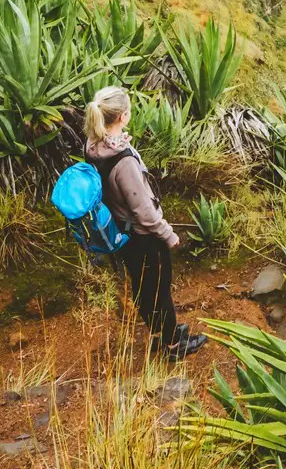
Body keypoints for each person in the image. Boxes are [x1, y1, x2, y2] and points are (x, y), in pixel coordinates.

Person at [82, 86, 205, 359]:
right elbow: (144, 212)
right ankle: (173, 346)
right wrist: (169, 235)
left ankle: (162, 332)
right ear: (123, 116)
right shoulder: (122, 162)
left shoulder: (93, 146)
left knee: (141, 285)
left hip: (121, 232)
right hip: (142, 235)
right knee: (159, 288)